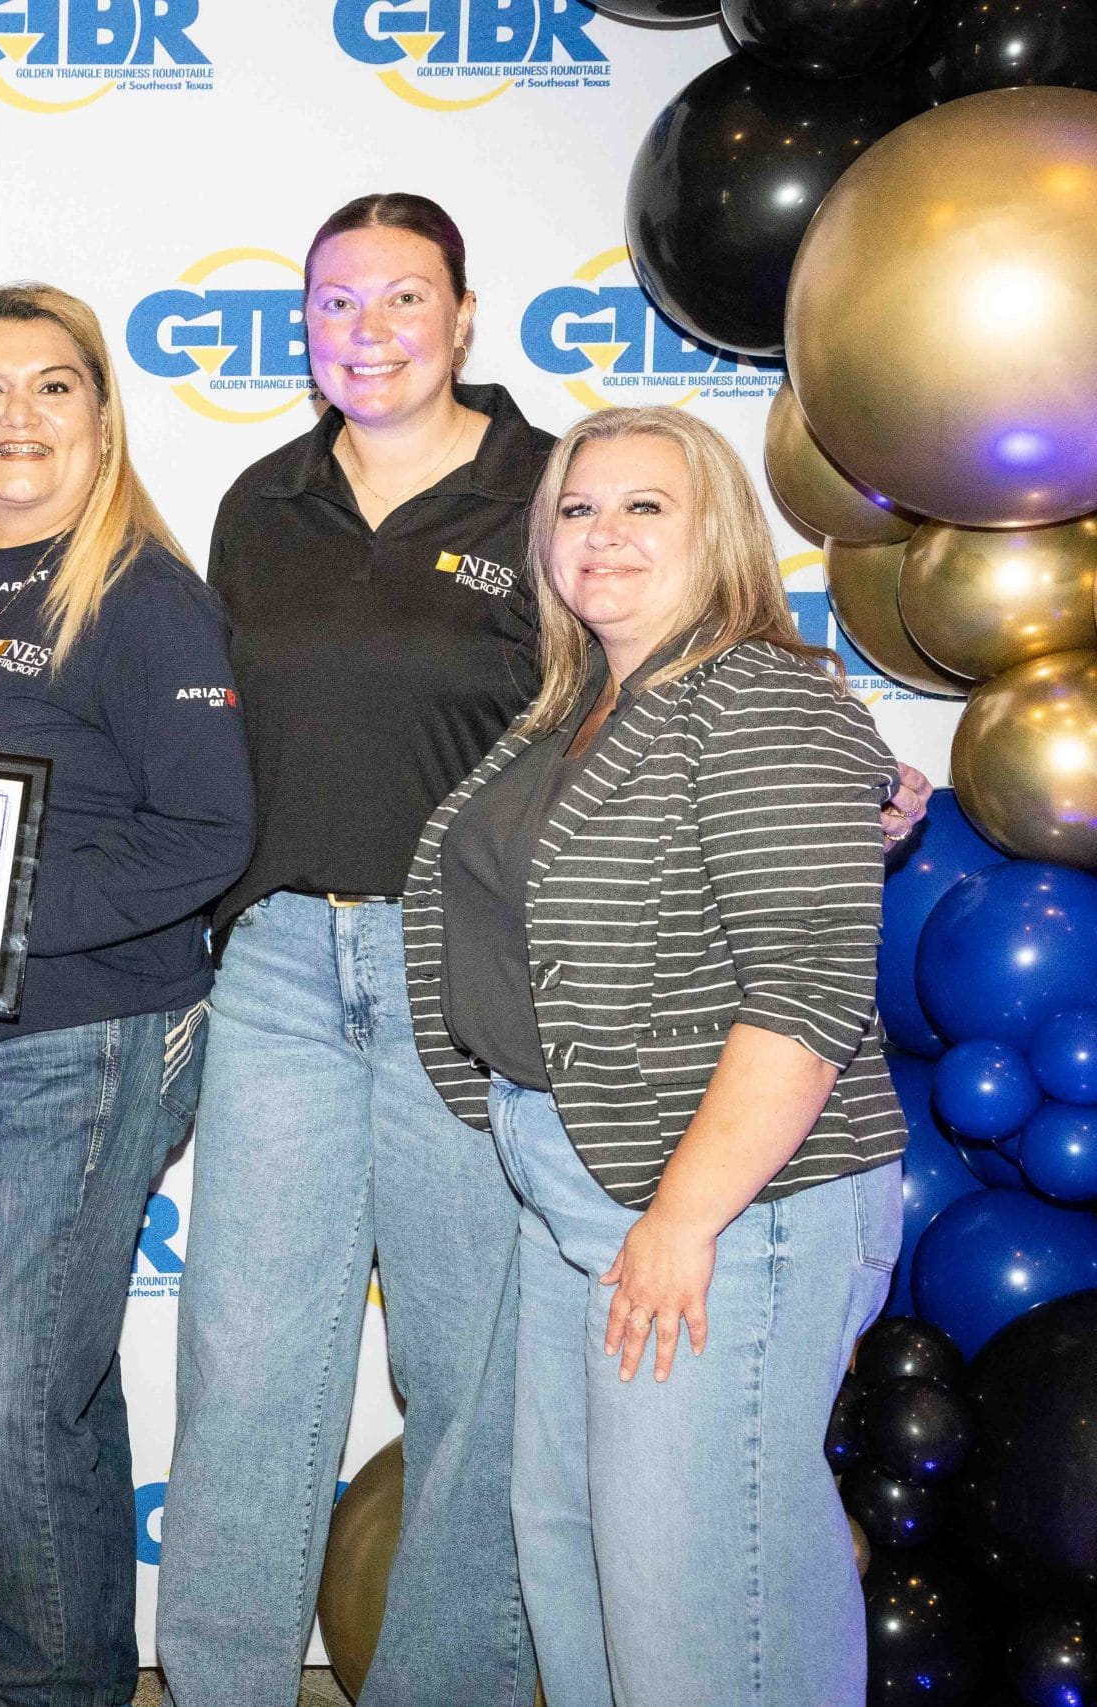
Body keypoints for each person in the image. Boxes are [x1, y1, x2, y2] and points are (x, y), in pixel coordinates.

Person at [154, 195, 929, 1707]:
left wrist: (857, 769)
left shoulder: (556, 491)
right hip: (286, 972)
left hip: (473, 983)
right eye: (335, 302)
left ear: (462, 317)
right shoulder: (259, 506)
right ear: (302, 327)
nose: (368, 330)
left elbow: (700, 721)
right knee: (253, 1370)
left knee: (481, 1384)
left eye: (404, 297)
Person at [404, 406, 907, 1705]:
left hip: (728, 1203)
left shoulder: (761, 698)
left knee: (704, 1610)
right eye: (576, 509)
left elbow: (805, 990)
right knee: (578, 1564)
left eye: (644, 507)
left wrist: (685, 1219)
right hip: (574, 1186)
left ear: (719, 532)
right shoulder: (575, 708)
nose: (603, 533)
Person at [0, 283, 255, 1707]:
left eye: (53, 386)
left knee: (6, 1399)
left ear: (102, 416)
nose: (17, 416)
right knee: (54, 1395)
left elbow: (208, 835)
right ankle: (79, 1681)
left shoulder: (143, 598)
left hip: (94, 1036)